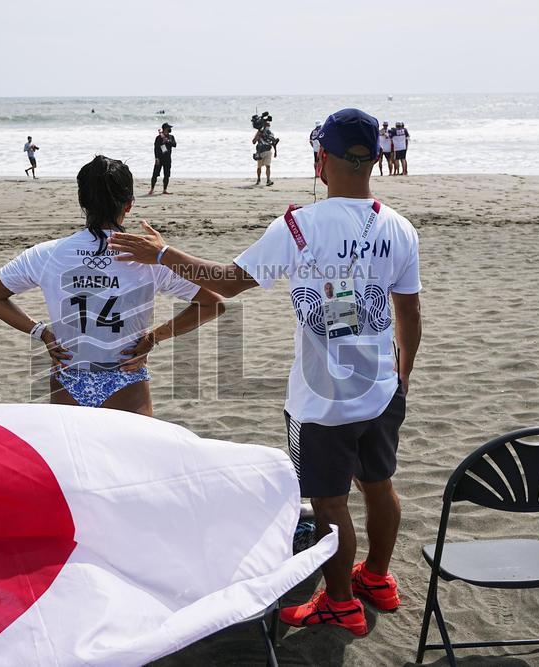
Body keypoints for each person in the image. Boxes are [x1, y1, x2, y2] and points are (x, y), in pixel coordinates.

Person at [108, 108, 422, 637]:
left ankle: (341, 601)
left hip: (322, 402)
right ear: (373, 159)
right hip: (382, 388)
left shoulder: (298, 226)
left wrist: (161, 253)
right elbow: (409, 312)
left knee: (328, 501)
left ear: (323, 160)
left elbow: (227, 282)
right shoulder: (397, 226)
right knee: (379, 484)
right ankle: (378, 578)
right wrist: (404, 376)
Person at [0, 155, 224, 416]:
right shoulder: (151, 257)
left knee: (72, 457)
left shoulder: (46, 254)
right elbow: (212, 304)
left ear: (82, 202)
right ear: (128, 205)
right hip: (125, 378)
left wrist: (43, 333)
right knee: (131, 457)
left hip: (69, 376)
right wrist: (153, 338)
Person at [149, 123, 177, 195]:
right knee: (155, 174)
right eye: (169, 128)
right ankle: (152, 189)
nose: (170, 129)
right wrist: (156, 158)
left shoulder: (171, 137)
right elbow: (156, 149)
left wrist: (167, 141)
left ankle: (164, 190)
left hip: (167, 158)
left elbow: (174, 145)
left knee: (167, 175)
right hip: (160, 158)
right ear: (165, 128)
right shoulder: (158, 138)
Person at [252, 118, 278, 186]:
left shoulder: (271, 133)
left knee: (268, 166)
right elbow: (254, 142)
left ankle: (268, 180)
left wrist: (275, 152)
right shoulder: (259, 132)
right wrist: (258, 135)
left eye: (269, 125)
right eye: (267, 124)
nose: (268, 126)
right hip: (260, 151)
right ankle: (258, 179)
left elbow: (273, 143)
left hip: (268, 151)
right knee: (259, 167)